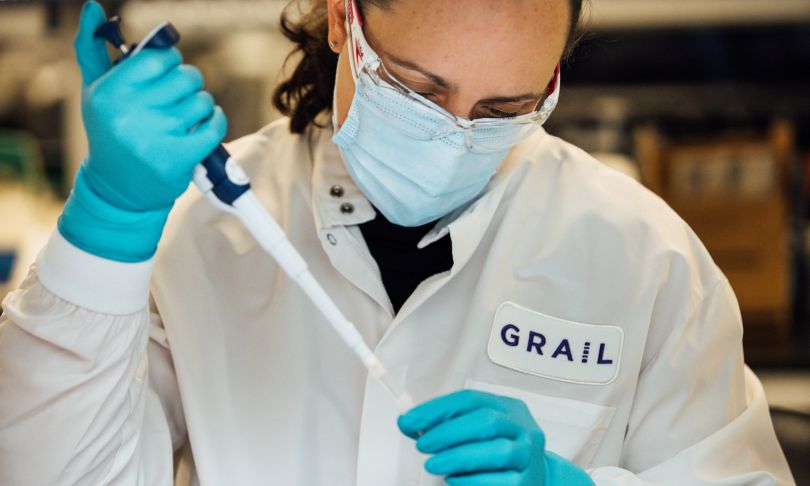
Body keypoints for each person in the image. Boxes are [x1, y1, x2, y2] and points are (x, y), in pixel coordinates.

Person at [0, 0, 796, 484]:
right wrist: (107, 225)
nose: (455, 136)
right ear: (347, 22)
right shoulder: (199, 230)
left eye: (504, 108)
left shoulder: (644, 258)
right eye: (420, 89)